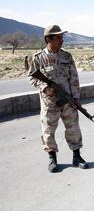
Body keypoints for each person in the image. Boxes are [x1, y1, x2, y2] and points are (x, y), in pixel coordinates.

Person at [29, 25, 88, 173]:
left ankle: (77, 157)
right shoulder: (38, 58)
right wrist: (45, 88)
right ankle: (52, 158)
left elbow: (74, 78)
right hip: (49, 103)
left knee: (73, 128)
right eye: (58, 37)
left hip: (68, 100)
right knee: (48, 130)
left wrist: (75, 98)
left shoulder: (67, 56)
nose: (62, 40)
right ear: (48, 39)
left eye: (62, 37)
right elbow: (32, 77)